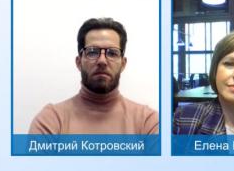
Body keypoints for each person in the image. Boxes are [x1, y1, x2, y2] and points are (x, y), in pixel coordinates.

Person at [28, 18, 159, 134]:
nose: (102, 61)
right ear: (79, 62)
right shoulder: (50, 120)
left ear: (123, 64)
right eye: (92, 52)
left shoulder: (148, 122)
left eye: (112, 53)